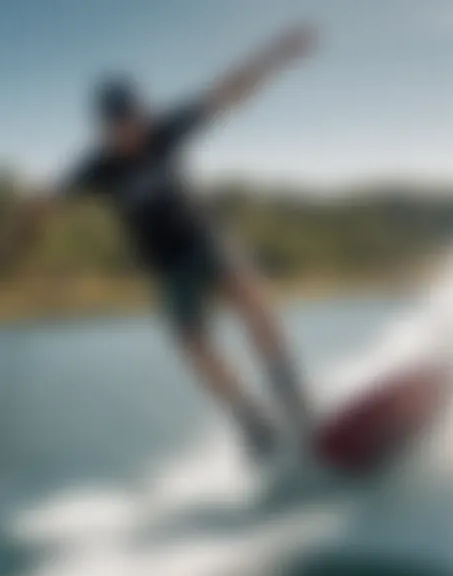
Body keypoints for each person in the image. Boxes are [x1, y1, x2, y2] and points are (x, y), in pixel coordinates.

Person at [16, 23, 317, 457]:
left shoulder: (166, 129)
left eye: (135, 119)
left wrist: (277, 53)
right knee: (192, 344)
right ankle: (252, 422)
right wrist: (20, 234)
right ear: (105, 130)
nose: (132, 133)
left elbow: (225, 90)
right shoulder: (97, 166)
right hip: (168, 267)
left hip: (203, 241)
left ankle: (289, 389)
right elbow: (48, 200)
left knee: (248, 292)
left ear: (143, 112)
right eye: (120, 127)